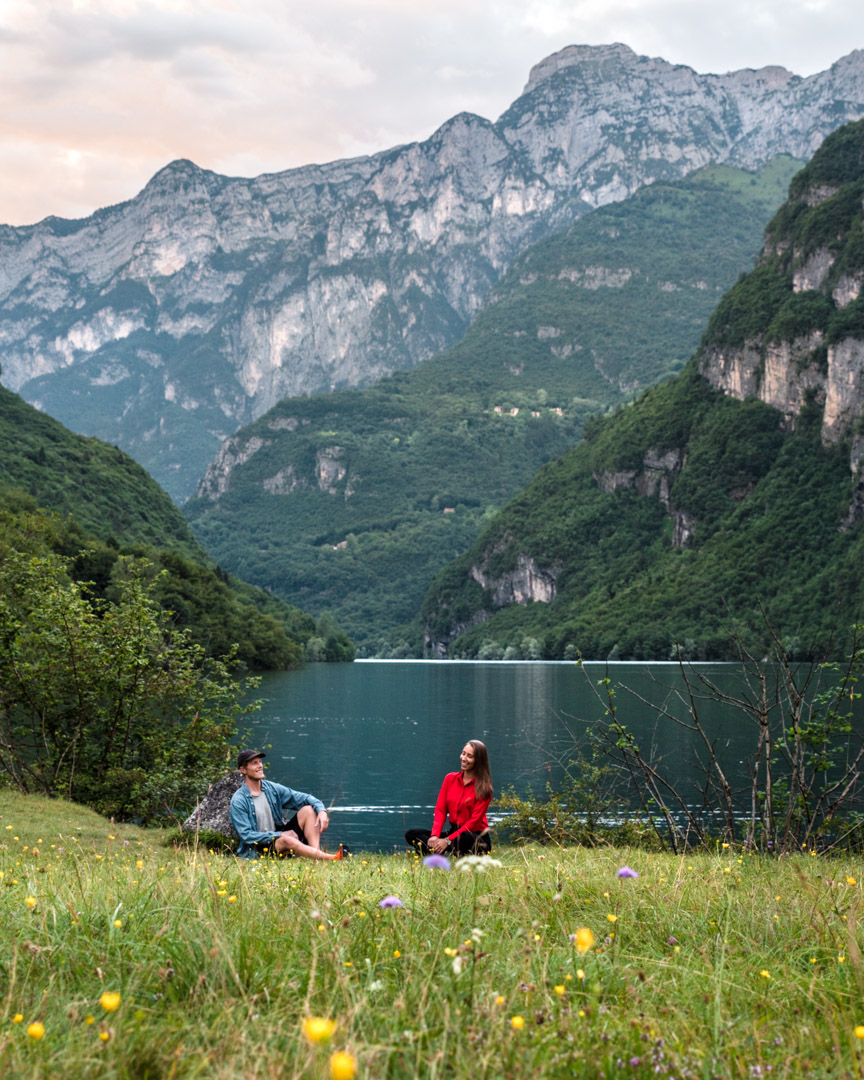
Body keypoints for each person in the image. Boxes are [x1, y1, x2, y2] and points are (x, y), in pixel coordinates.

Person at [229, 749, 349, 860]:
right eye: (254, 763)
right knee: (286, 840)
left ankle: (316, 856)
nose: (260, 766)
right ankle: (332, 858)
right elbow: (247, 836)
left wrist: (322, 811)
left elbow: (305, 798)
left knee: (309, 810)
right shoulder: (239, 800)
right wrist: (279, 834)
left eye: (260, 762)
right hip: (259, 848)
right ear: (243, 770)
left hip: (279, 839)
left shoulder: (271, 789)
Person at [405, 740, 493, 856]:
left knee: (465, 837)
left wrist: (447, 840)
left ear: (478, 761)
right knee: (411, 834)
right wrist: (435, 835)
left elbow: (473, 824)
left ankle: (439, 850)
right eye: (463, 753)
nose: (463, 758)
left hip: (474, 836)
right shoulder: (449, 779)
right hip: (454, 833)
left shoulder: (485, 789)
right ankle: (443, 850)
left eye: (469, 756)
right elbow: (440, 810)